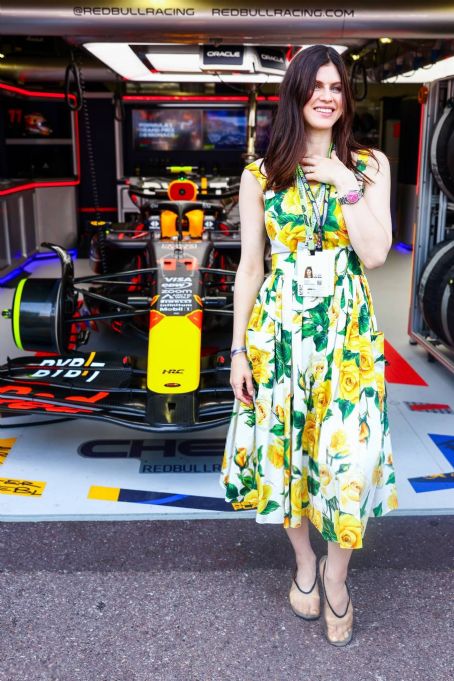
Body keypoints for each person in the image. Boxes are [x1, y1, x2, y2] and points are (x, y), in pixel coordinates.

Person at [219, 44, 399, 647]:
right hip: (280, 335)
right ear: (295, 93)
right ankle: (303, 562)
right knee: (287, 455)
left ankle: (337, 575)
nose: (327, 95)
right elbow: (250, 268)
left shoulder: (369, 166)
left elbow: (374, 254)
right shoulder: (260, 172)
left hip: (346, 335)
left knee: (349, 459)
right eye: (315, 85)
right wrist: (239, 351)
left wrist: (347, 183)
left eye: (338, 86)